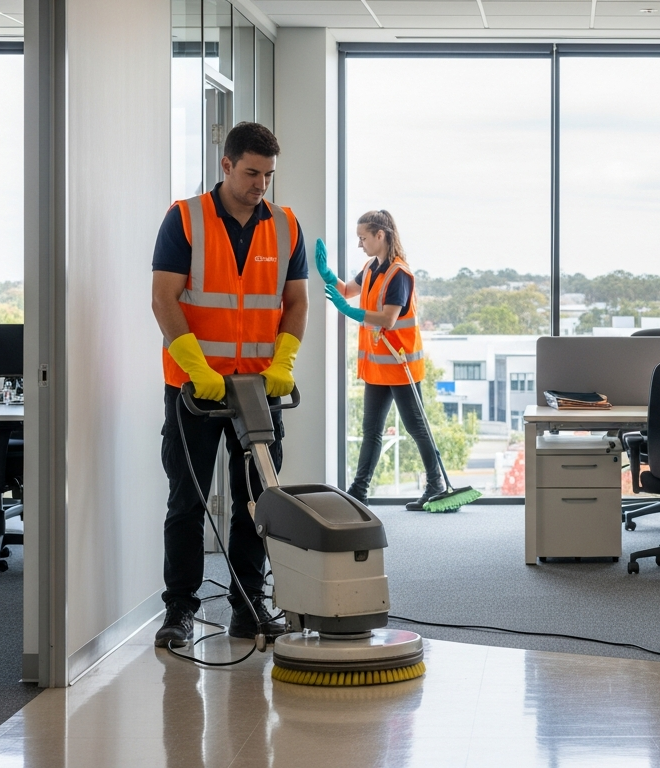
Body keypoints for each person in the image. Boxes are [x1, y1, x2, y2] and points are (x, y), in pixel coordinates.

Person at [151, 122, 309, 648]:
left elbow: (296, 303)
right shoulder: (186, 219)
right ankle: (179, 611)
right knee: (187, 502)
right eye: (250, 173)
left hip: (259, 392)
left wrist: (284, 361)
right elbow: (164, 299)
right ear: (225, 165)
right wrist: (197, 367)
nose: (260, 184)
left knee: (258, 502)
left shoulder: (286, 226)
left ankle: (249, 606)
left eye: (267, 175)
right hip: (195, 391)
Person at [317, 211, 446, 509]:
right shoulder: (371, 267)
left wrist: (351, 313)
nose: (360, 244)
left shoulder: (398, 274)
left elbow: (388, 318)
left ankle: (436, 484)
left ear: (381, 235)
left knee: (416, 427)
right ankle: (358, 492)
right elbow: (348, 291)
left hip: (400, 365)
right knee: (371, 430)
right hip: (377, 365)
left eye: (363, 238)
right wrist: (327, 274)